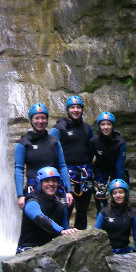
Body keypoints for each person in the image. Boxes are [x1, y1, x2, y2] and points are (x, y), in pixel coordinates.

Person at [14, 103, 73, 210]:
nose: (40, 121)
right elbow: (19, 170)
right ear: (31, 120)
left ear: (47, 120)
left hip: (53, 186)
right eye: (37, 118)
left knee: (60, 215)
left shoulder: (54, 141)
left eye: (43, 118)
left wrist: (68, 190)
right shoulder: (23, 143)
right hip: (33, 188)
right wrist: (20, 195)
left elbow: (62, 166)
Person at [49, 95, 95, 230]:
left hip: (85, 172)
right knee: (66, 207)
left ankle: (82, 236)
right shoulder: (59, 128)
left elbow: (92, 147)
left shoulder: (87, 128)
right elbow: (50, 150)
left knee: (83, 209)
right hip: (67, 173)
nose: (76, 110)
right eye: (72, 107)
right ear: (67, 110)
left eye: (78, 107)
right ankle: (62, 236)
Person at [16, 166, 79, 253]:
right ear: (40, 183)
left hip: (48, 250)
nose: (51, 184)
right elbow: (41, 219)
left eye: (54, 181)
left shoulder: (60, 206)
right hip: (27, 250)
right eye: (47, 181)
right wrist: (61, 231)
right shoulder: (31, 202)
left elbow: (65, 230)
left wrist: (69, 232)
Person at [89, 111, 127, 213]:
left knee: (116, 207)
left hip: (116, 174)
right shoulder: (94, 141)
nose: (105, 127)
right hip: (100, 176)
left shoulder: (120, 143)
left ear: (113, 126)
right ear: (99, 126)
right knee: (101, 208)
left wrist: (120, 185)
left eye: (108, 124)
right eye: (103, 124)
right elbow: (89, 160)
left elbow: (120, 167)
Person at [94, 178, 136, 254]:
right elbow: (95, 235)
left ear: (125, 194)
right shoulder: (104, 212)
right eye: (115, 193)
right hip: (107, 252)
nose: (118, 195)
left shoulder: (133, 214)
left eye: (121, 192)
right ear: (112, 195)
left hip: (125, 253)